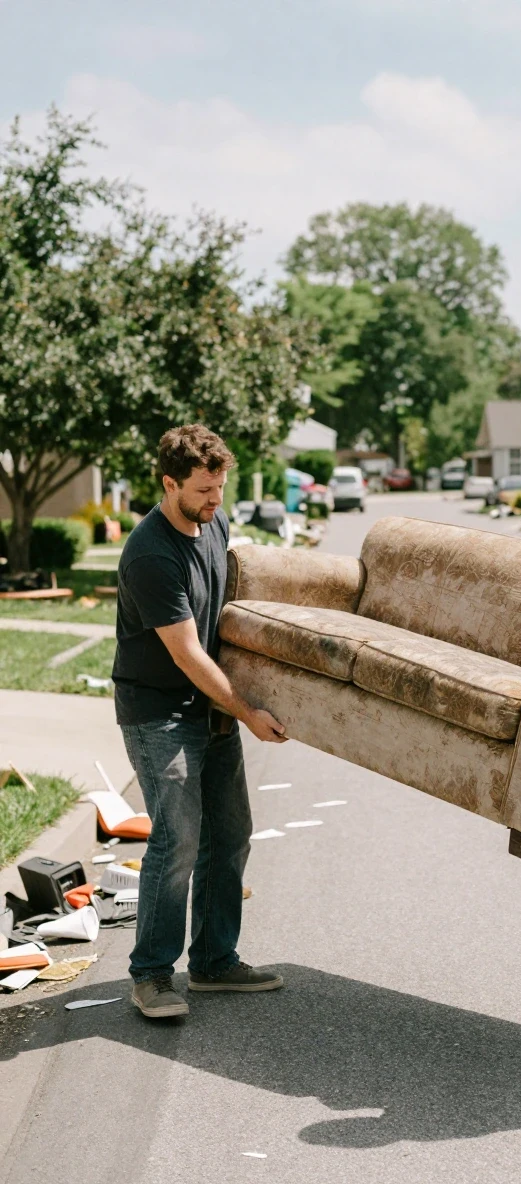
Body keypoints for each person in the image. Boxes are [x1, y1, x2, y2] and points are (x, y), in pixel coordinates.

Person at [113, 425, 288, 1020]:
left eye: (220, 489)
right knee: (178, 837)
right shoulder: (150, 554)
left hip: (207, 707)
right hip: (158, 712)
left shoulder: (213, 526)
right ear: (169, 484)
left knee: (232, 831)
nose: (216, 502)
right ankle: (152, 976)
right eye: (204, 491)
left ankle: (214, 961)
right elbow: (187, 653)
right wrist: (248, 711)